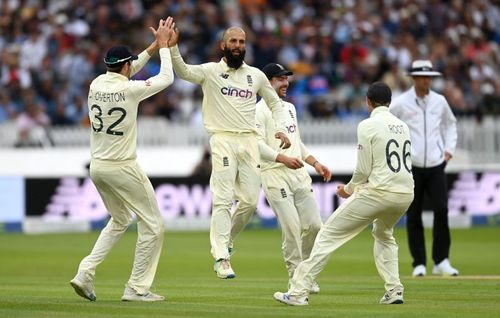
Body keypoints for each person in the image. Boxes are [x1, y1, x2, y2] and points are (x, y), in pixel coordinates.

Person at [274, 82, 414, 306]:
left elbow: (363, 170)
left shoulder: (367, 125)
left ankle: (299, 292)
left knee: (328, 234)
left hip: (378, 192)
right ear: (389, 102)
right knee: (384, 234)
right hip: (405, 193)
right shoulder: (403, 126)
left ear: (368, 102)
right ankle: (395, 290)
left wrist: (348, 190)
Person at [168, 26, 291, 279]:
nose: (237, 45)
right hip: (222, 139)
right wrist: (172, 47)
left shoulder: (255, 76)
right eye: (233, 41)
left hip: (249, 142)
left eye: (241, 41)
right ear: (223, 45)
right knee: (222, 199)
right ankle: (221, 257)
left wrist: (280, 129)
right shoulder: (211, 71)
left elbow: (275, 104)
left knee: (249, 202)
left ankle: (226, 242)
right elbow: (183, 71)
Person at [69, 17, 176, 302]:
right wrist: (165, 47)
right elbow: (166, 79)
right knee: (153, 224)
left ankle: (85, 272)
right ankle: (137, 288)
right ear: (126, 67)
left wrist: (154, 45)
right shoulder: (129, 90)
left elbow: (131, 67)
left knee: (119, 220)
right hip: (122, 166)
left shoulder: (96, 84)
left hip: (98, 167)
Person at [256, 63, 331, 293]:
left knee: (315, 226)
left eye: (286, 79)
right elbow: (255, 145)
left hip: (299, 174)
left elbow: (297, 142)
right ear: (268, 82)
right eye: (280, 79)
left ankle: (305, 274)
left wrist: (315, 163)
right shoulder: (258, 111)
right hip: (274, 174)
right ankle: (295, 278)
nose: (286, 83)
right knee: (291, 226)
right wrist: (282, 158)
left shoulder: (289, 108)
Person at [389, 60, 459, 277]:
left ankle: (441, 260)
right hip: (411, 166)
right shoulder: (401, 103)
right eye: (421, 76)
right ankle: (418, 262)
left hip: (437, 163)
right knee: (414, 213)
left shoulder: (440, 101)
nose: (425, 80)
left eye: (428, 77)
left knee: (441, 210)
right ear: (414, 78)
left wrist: (449, 149)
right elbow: (387, 125)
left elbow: (450, 124)